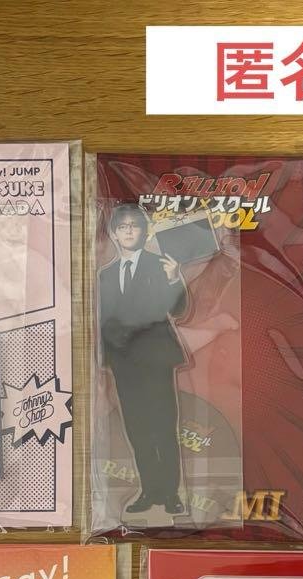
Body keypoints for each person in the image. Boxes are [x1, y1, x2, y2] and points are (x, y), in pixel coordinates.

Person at [98, 201, 188, 517]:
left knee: (162, 426)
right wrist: (105, 358)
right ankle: (149, 490)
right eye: (122, 227)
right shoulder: (105, 275)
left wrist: (175, 279)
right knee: (137, 429)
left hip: (155, 359)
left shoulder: (160, 265)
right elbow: (103, 320)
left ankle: (171, 494)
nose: (128, 232)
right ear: (113, 233)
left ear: (144, 232)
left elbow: (178, 310)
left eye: (134, 226)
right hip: (124, 363)